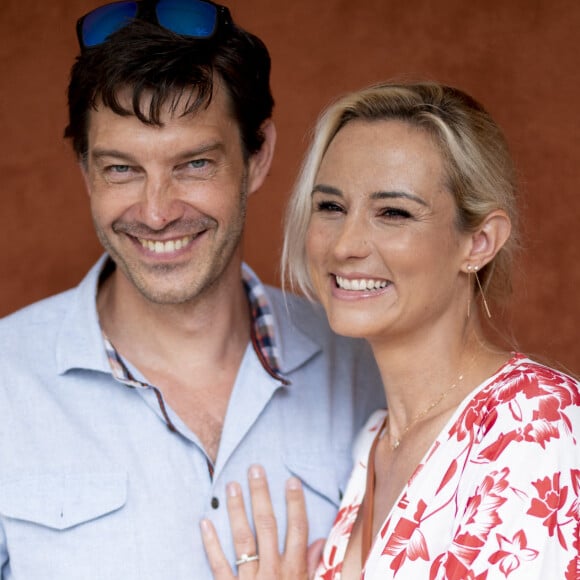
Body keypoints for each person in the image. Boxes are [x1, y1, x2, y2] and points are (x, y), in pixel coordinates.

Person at [0, 2, 384, 578]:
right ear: (84, 170)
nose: (156, 213)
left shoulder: (365, 368)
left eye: (195, 164)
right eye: (121, 169)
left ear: (258, 157)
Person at [201, 81, 580, 579]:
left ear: (479, 242)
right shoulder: (373, 444)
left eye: (394, 213)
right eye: (331, 207)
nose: (345, 246)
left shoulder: (538, 425)